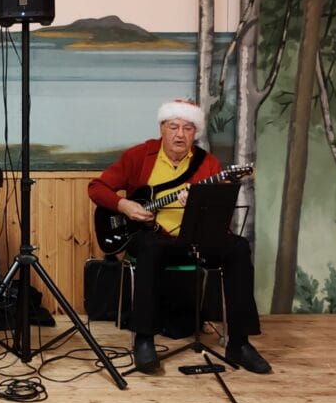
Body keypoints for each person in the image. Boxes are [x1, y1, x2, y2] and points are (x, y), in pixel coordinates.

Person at [87, 99, 271, 374]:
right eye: (174, 127)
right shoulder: (140, 155)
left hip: (194, 239)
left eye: (188, 128)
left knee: (238, 248)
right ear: (162, 128)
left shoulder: (207, 163)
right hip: (152, 238)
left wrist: (199, 204)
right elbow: (97, 187)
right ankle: (144, 340)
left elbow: (219, 210)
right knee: (149, 247)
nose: (180, 134)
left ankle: (239, 343)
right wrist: (124, 205)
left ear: (195, 133)